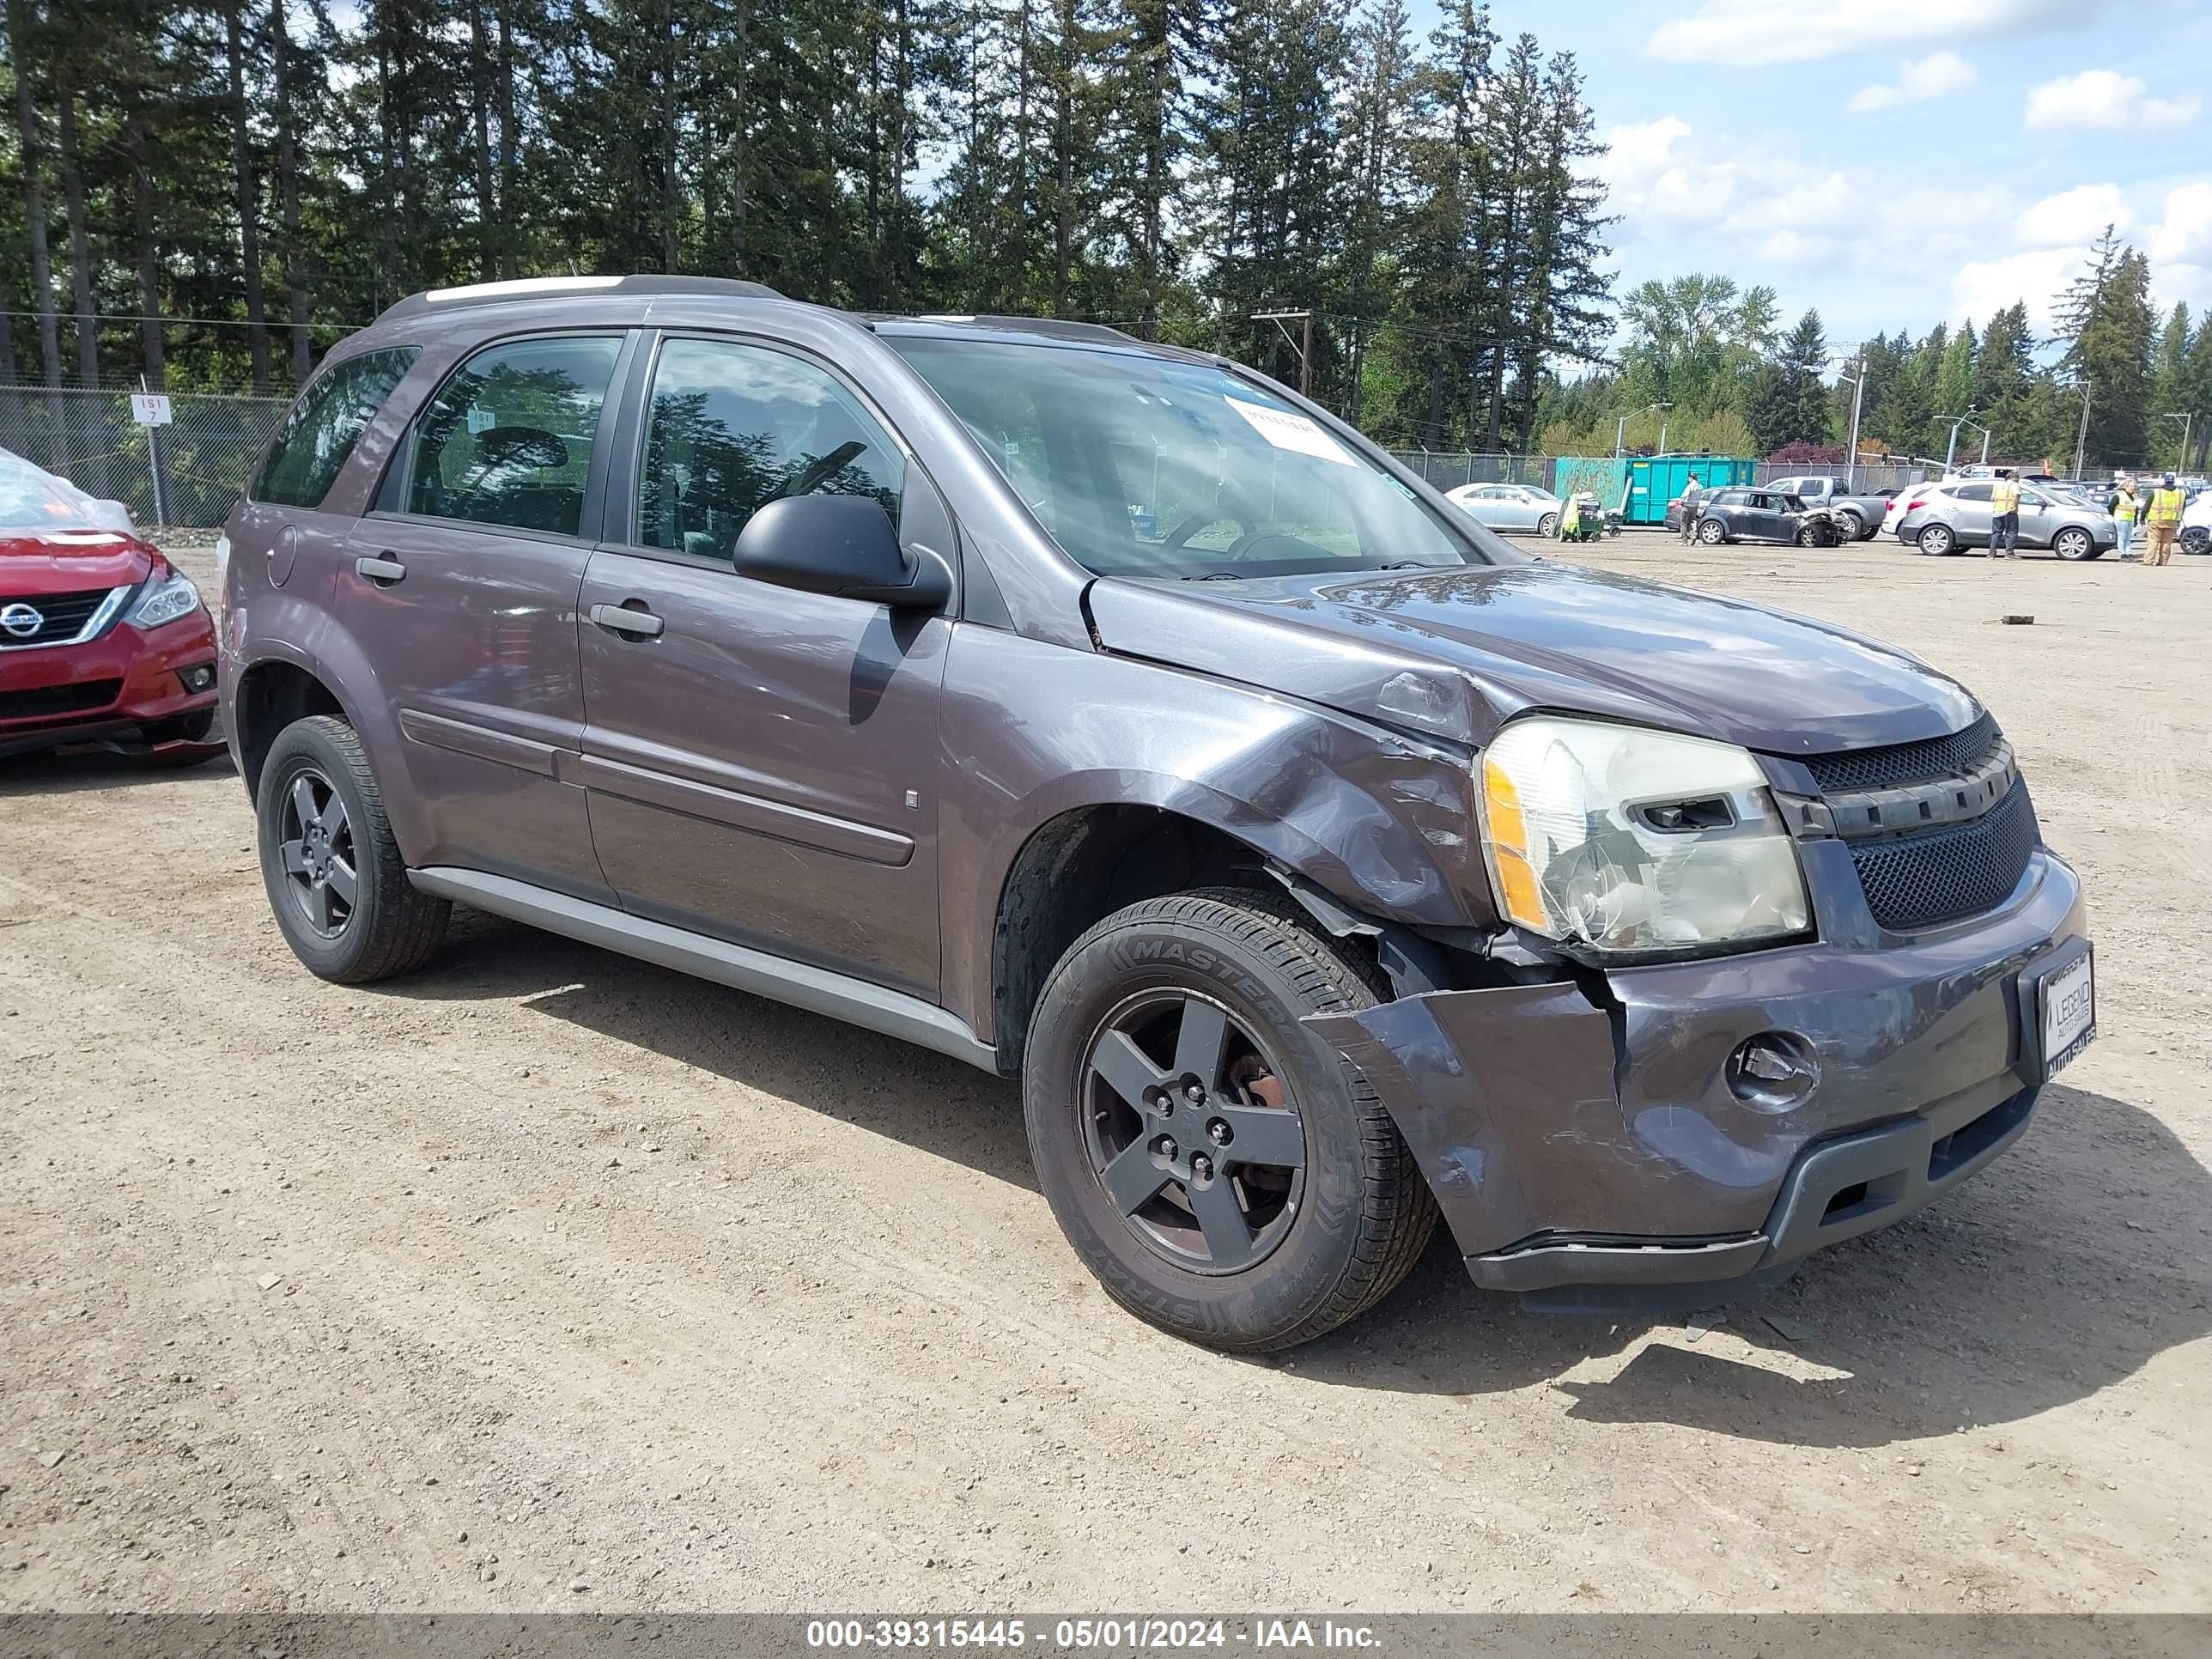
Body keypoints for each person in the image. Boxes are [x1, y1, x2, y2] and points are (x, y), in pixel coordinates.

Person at [2143, 471, 2185, 567]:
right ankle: (2163, 562)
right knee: (2166, 543)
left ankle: (2148, 561)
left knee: (2153, 542)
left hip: (2156, 520)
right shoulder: (2181, 494)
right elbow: (2183, 508)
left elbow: (2147, 506)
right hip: (2172, 521)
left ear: (2165, 481)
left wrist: (2142, 518)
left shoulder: (2156, 492)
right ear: (2173, 482)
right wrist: (2179, 520)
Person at [1988, 468, 2022, 562]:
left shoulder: (1998, 485)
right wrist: (2014, 507)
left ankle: (1991, 553)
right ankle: (2009, 554)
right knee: (2011, 532)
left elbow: (1992, 498)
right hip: (2009, 511)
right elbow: (2016, 496)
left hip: (1997, 511)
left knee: (1996, 532)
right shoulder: (2015, 485)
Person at [2109, 474, 2139, 560]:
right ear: (2126, 486)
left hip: (2130, 519)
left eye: (2134, 486)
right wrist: (2114, 515)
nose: (2133, 488)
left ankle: (2128, 553)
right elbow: (2111, 507)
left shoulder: (2134, 496)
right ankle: (2123, 554)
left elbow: (2135, 509)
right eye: (2131, 486)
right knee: (2122, 536)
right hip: (2121, 519)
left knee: (2128, 537)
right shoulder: (2119, 495)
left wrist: (2135, 520)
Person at [1678, 473, 1704, 543]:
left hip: (1687, 506)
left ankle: (1684, 541)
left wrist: (1681, 501)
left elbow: (1685, 495)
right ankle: (1693, 536)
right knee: (1689, 523)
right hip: (1695, 507)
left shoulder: (1690, 485)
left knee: (1683, 524)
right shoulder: (1700, 486)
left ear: (1691, 478)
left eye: (1689, 478)